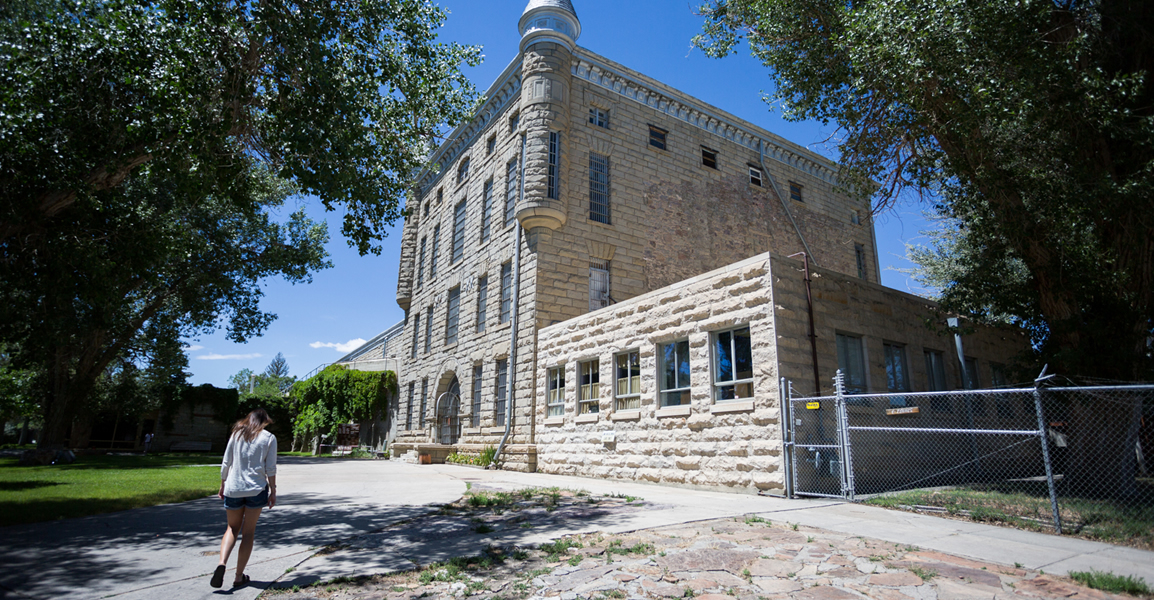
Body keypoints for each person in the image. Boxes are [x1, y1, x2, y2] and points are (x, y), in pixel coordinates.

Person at [210, 409, 277, 589]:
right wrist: (273, 491)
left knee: (231, 528)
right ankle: (239, 576)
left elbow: (226, 461)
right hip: (256, 490)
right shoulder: (269, 438)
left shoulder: (236, 434)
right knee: (248, 532)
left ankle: (222, 563)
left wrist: (223, 483)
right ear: (264, 421)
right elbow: (270, 468)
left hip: (233, 487)